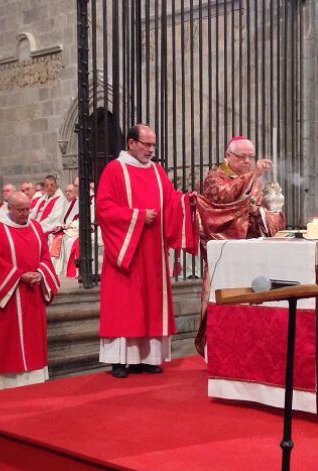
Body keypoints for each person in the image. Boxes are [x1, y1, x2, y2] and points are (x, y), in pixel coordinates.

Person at [96, 124, 186, 378]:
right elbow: (103, 209)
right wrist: (136, 216)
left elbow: (171, 201)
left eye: (153, 145)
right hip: (126, 250)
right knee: (125, 304)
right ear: (131, 143)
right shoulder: (115, 169)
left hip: (153, 252)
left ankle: (147, 358)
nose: (150, 150)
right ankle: (119, 360)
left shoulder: (157, 171)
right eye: (146, 144)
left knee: (150, 302)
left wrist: (188, 202)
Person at [193, 136, 287, 355]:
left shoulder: (257, 182)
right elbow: (223, 199)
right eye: (242, 156)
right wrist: (252, 175)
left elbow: (269, 213)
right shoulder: (214, 177)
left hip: (250, 251)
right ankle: (216, 350)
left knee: (249, 303)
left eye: (250, 157)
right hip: (224, 249)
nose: (247, 161)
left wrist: (261, 212)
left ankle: (247, 348)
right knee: (221, 301)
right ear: (228, 156)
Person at [0, 192, 60, 390]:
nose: (25, 213)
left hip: (31, 295)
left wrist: (41, 272)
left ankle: (32, 378)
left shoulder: (36, 227)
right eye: (21, 210)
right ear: (10, 209)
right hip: (7, 296)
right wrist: (18, 276)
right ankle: (2, 383)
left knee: (31, 339)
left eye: (28, 209)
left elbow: (45, 256)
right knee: (4, 339)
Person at [30, 175, 70, 266]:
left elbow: (53, 219)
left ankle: (37, 264)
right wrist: (30, 223)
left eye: (52, 185)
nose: (49, 187)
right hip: (37, 225)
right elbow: (33, 213)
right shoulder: (43, 198)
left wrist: (37, 226)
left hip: (47, 227)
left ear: (56, 185)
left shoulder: (60, 199)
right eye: (47, 185)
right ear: (44, 186)